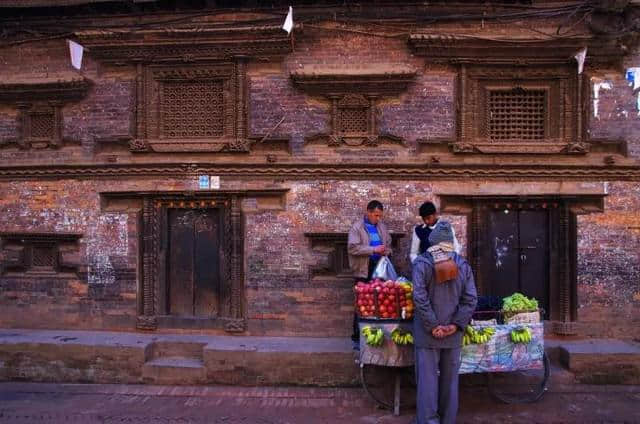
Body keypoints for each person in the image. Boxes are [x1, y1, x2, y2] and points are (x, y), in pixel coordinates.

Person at [411, 220, 478, 424]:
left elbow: (419, 298)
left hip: (427, 334)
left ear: (432, 242)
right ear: (450, 241)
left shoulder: (422, 263)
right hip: (453, 335)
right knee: (450, 383)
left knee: (427, 383)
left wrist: (433, 326)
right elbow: (470, 299)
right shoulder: (462, 265)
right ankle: (448, 420)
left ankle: (429, 421)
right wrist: (454, 326)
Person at [348, 200, 393, 346]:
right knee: (362, 302)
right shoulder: (357, 227)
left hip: (379, 268)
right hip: (363, 269)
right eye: (375, 215)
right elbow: (353, 248)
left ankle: (376, 334)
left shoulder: (382, 227)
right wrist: (373, 250)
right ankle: (357, 336)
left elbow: (388, 244)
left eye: (380, 216)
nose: (378, 218)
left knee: (379, 302)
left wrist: (386, 250)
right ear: (368, 212)